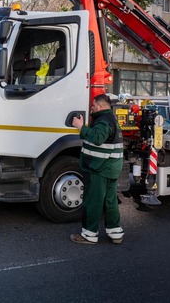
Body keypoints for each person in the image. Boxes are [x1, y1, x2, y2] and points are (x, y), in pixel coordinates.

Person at [70, 93, 124, 245]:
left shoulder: (103, 121)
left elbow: (97, 138)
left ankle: (89, 235)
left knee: (93, 202)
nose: (91, 108)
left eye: (93, 105)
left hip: (99, 169)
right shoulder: (111, 119)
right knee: (110, 202)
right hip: (110, 168)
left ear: (100, 106)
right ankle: (115, 233)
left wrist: (81, 127)